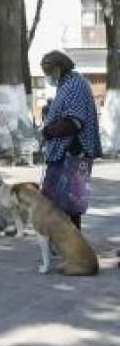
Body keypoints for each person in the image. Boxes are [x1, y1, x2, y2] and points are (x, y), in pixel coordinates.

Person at [39, 51, 102, 230]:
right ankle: (63, 242)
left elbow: (74, 122)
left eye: (49, 72)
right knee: (59, 201)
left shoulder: (75, 84)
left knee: (70, 203)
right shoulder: (66, 83)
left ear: (59, 68)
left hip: (73, 150)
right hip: (64, 151)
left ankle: (73, 244)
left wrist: (49, 131)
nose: (49, 77)